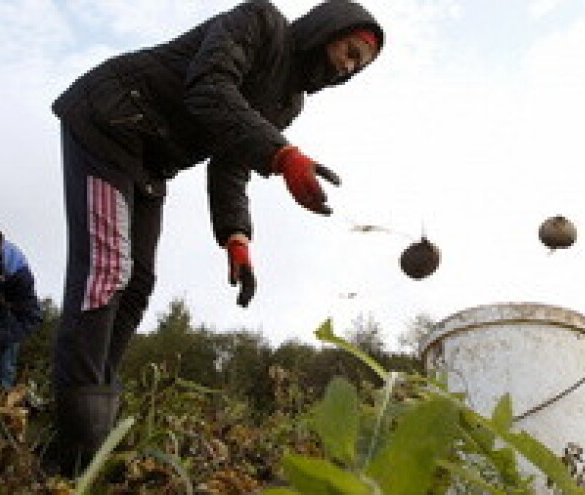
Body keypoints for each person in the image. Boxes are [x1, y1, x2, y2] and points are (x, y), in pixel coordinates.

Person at [50, 0, 383, 475]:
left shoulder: (288, 103)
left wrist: (237, 238)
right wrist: (283, 156)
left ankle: (96, 423)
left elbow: (231, 164)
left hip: (150, 159)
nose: (346, 69)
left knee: (138, 284)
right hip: (110, 118)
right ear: (324, 30)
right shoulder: (259, 24)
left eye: (357, 65)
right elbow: (208, 88)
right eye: (348, 51)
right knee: (107, 268)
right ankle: (73, 449)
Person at [0, 230, 43, 388]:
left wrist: (1, 338)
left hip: (6, 323)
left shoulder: (18, 273)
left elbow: (31, 318)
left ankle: (2, 394)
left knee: (3, 369)